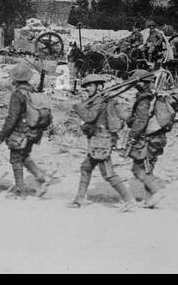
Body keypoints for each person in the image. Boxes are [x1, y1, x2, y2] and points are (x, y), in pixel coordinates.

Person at [70, 74, 137, 211]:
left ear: (98, 86)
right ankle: (79, 199)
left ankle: (130, 200)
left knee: (108, 174)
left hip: (101, 141)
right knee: (86, 168)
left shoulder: (100, 102)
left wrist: (79, 107)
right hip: (97, 140)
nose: (87, 89)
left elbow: (89, 117)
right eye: (86, 86)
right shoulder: (97, 101)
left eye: (90, 86)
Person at [0, 63, 54, 198]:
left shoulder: (17, 94)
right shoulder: (32, 91)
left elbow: (12, 117)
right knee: (24, 156)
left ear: (16, 79)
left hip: (21, 132)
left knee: (15, 159)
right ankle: (40, 177)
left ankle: (20, 190)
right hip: (34, 131)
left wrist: (1, 135)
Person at [125, 69, 167, 207]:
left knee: (138, 169)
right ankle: (150, 200)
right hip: (156, 139)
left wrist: (132, 137)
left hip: (148, 140)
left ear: (142, 83)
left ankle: (156, 192)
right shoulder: (149, 96)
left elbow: (141, 122)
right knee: (147, 169)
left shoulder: (144, 99)